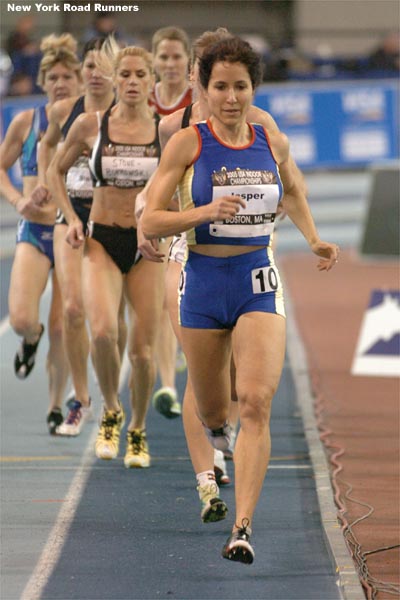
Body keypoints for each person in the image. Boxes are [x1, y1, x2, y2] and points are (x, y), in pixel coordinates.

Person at [142, 36, 339, 564]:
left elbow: (293, 189)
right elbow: (152, 220)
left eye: (241, 87)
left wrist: (314, 236)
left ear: (254, 88)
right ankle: (214, 434)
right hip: (203, 281)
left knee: (255, 401)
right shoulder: (188, 143)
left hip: (256, 276)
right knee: (212, 408)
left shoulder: (270, 139)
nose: (232, 98)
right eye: (221, 87)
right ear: (203, 90)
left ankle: (243, 527)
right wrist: (200, 214)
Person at [46, 39, 166, 466]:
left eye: (140, 75)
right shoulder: (90, 126)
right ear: (115, 80)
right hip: (100, 240)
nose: (132, 82)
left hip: (145, 248)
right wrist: (71, 219)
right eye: (126, 74)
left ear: (152, 82)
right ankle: (111, 410)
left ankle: (137, 429)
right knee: (102, 333)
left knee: (143, 351)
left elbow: (183, 183)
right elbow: (56, 172)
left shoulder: (165, 131)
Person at [32, 38, 117, 436]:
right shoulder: (65, 111)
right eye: (89, 66)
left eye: (103, 66)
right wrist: (50, 189)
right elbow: (47, 149)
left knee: (112, 322)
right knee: (70, 310)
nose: (95, 73)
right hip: (72, 220)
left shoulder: (129, 112)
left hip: (114, 223)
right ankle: (80, 399)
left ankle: (112, 395)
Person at [0, 34, 82, 433]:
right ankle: (30, 339)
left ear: (81, 81)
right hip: (35, 229)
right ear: (43, 81)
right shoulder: (26, 122)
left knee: (64, 324)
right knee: (20, 318)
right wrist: (19, 202)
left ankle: (54, 405)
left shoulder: (88, 125)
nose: (62, 82)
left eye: (69, 75)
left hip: (70, 234)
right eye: (54, 76)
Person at [148, 26, 193, 419]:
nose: (170, 64)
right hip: (150, 203)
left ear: (189, 62)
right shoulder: (143, 99)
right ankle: (167, 383)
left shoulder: (202, 101)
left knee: (172, 297)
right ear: (154, 62)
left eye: (177, 56)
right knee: (159, 304)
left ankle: (172, 376)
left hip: (184, 209)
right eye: (163, 57)